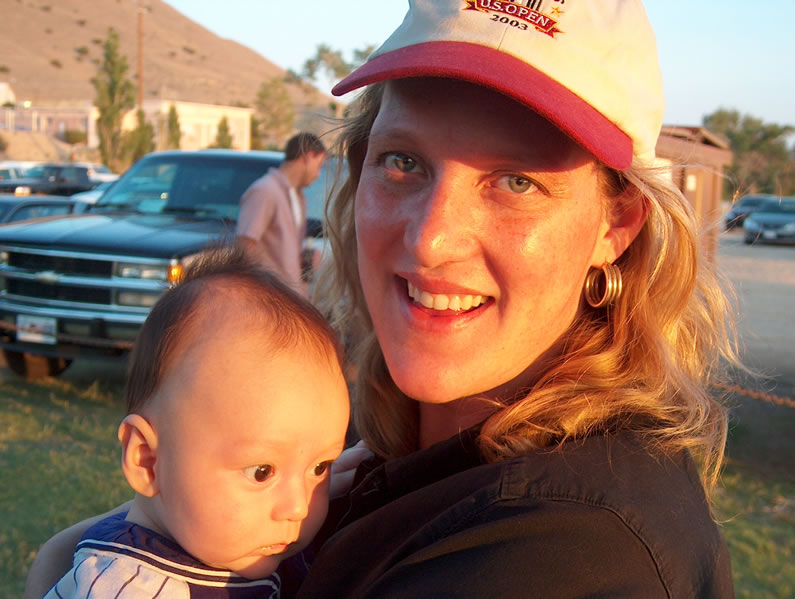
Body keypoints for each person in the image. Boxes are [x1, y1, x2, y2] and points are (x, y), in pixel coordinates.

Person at [26, 1, 740, 597]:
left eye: (516, 181)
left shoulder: (572, 552)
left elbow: (58, 562)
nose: (430, 238)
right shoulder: (380, 452)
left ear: (615, 225)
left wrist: (64, 564)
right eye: (403, 162)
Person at [42, 246, 350, 598]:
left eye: (320, 466)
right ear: (148, 461)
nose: (297, 507)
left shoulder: (237, 544)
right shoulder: (132, 588)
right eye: (262, 472)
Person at [236, 132, 326, 296]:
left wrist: (304, 258)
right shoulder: (265, 190)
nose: (318, 174)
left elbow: (281, 249)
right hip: (269, 301)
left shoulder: (298, 197)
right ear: (307, 157)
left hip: (291, 300)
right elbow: (244, 246)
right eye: (319, 166)